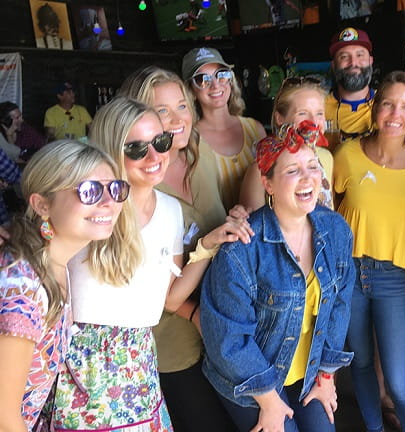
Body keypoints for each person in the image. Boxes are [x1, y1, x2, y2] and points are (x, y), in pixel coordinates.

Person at [51, 97, 252, 431]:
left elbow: (169, 301)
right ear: (111, 149)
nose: (155, 157)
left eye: (160, 142)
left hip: (140, 365)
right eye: (135, 148)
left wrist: (206, 247)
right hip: (81, 367)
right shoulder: (89, 206)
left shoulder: (171, 211)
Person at [200, 120, 355, 432]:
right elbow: (228, 340)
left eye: (312, 166)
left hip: (307, 371)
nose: (308, 177)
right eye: (292, 170)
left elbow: (339, 306)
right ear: (267, 183)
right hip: (248, 382)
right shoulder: (242, 248)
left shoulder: (336, 230)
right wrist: (269, 401)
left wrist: (326, 376)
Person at [118, 65, 237, 431]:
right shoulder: (133, 184)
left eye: (182, 106)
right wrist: (196, 315)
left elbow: (219, 224)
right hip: (174, 342)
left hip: (223, 324)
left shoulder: (199, 157)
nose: (177, 119)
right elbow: (144, 286)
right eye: (162, 111)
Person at [334, 71, 405, 432]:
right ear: (375, 108)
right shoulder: (347, 155)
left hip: (393, 277)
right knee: (361, 364)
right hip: (348, 272)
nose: (396, 114)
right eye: (388, 104)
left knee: (398, 380)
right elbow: (326, 207)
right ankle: (374, 428)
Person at [0, 139, 128, 431]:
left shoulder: (53, 263)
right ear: (42, 204)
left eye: (115, 188)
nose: (108, 202)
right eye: (89, 191)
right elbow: (3, 417)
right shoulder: (23, 289)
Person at [182, 47, 266, 210]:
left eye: (221, 75)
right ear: (190, 90)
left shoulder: (255, 129)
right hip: (218, 232)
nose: (215, 85)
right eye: (202, 79)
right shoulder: (189, 139)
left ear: (230, 80)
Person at [240, 76, 333, 210]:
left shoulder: (326, 158)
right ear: (280, 118)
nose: (313, 121)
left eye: (319, 113)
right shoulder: (260, 169)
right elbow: (252, 228)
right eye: (302, 113)